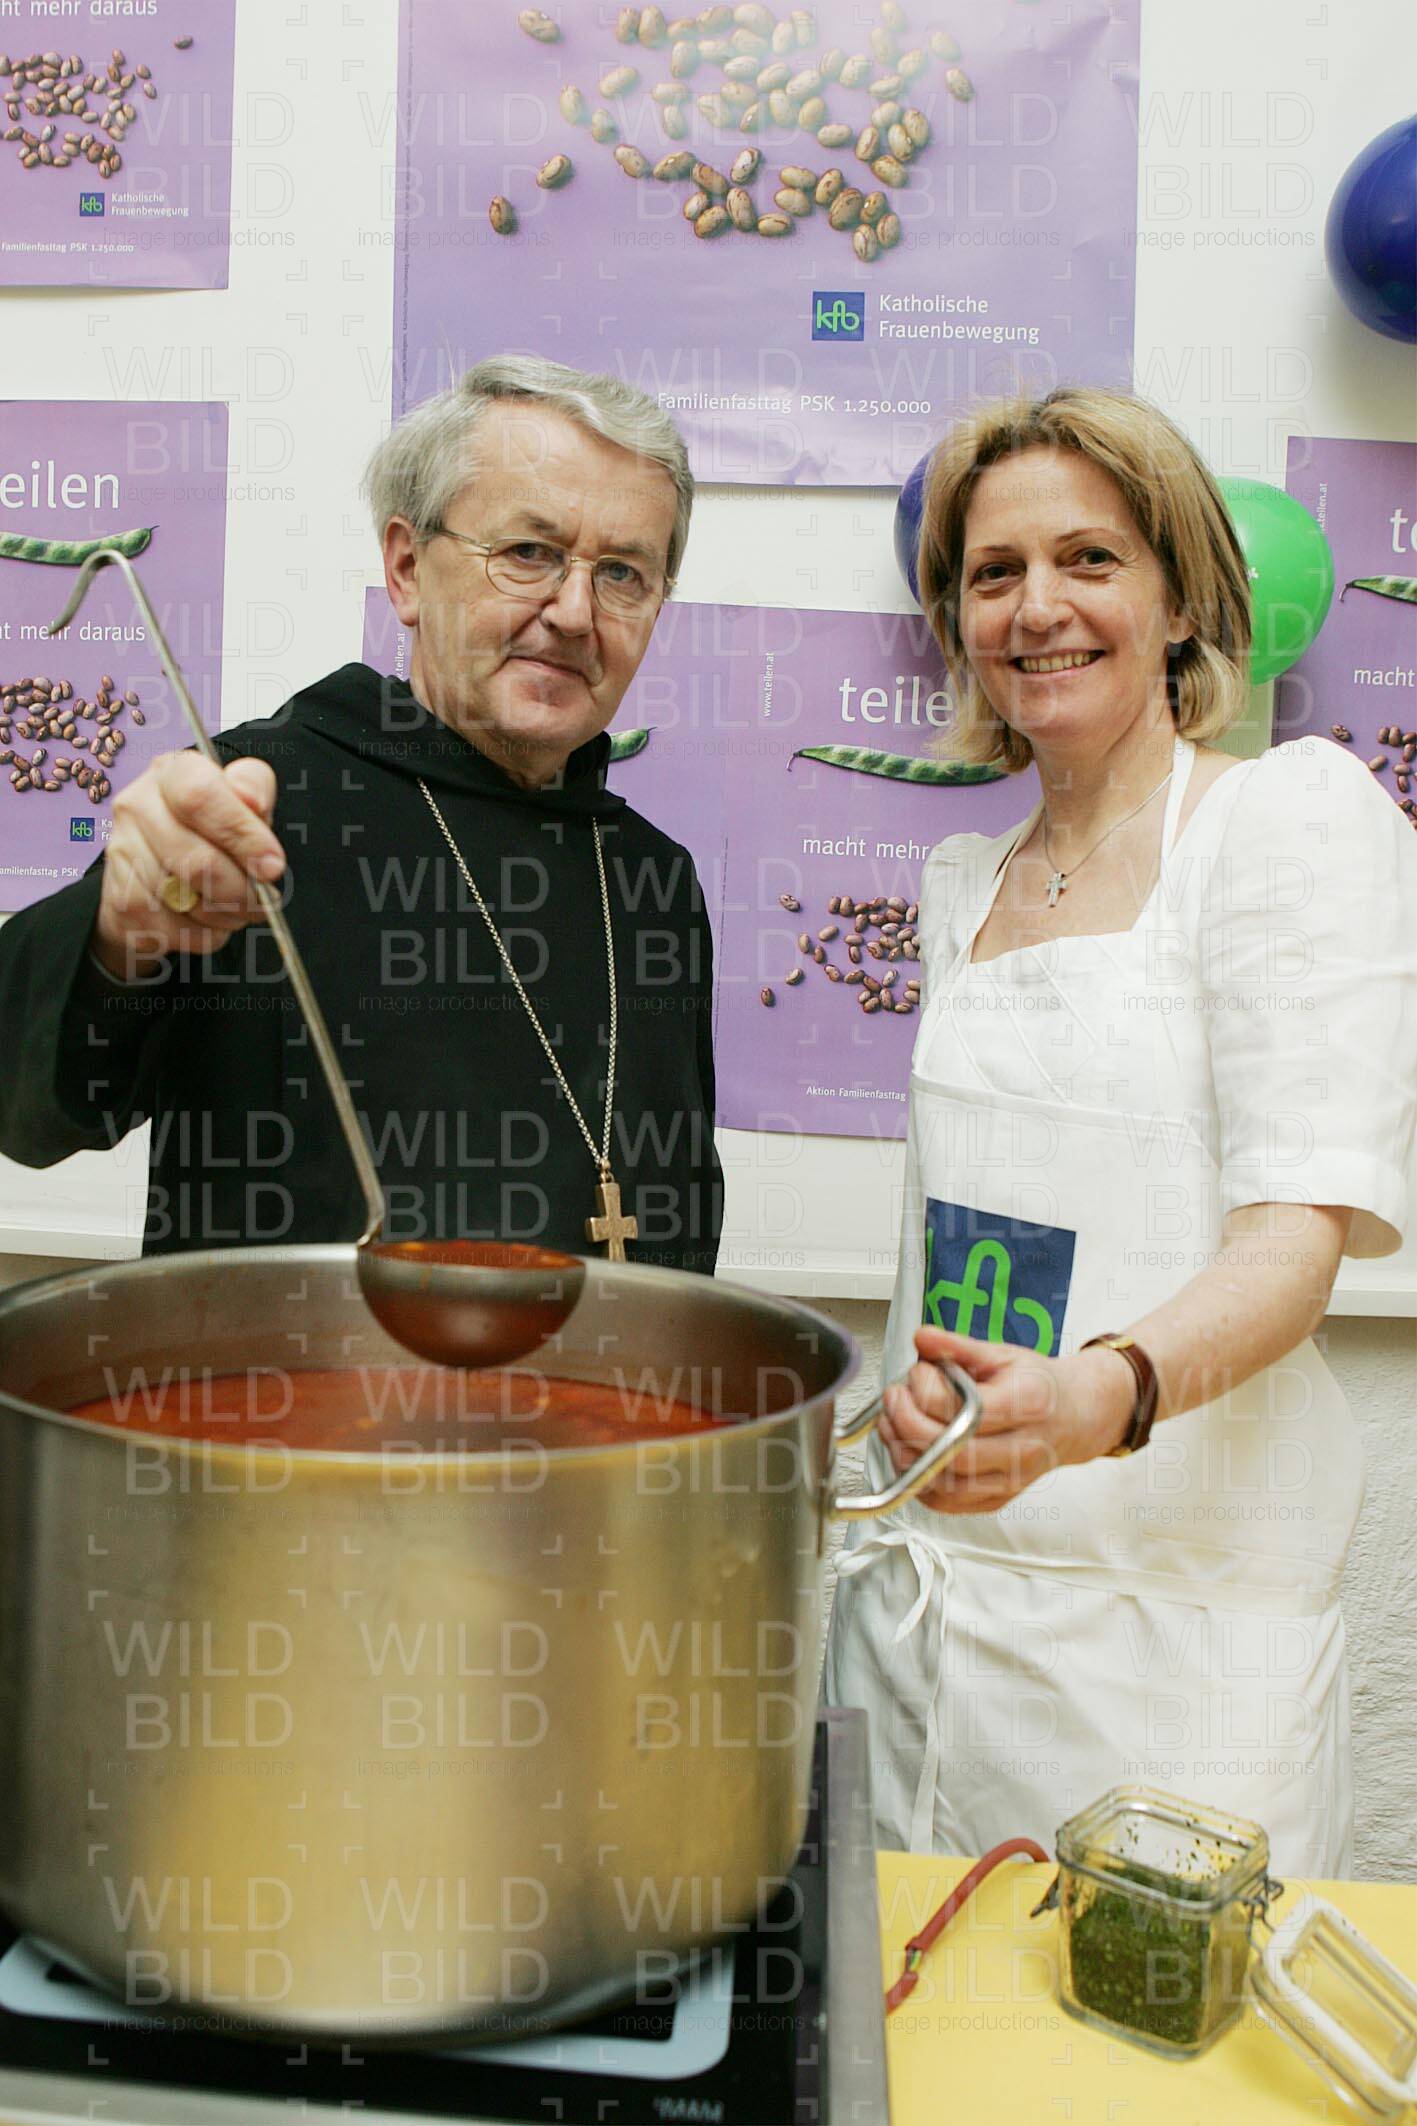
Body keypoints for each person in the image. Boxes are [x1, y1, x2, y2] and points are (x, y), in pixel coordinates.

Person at [824, 386, 1417, 1875]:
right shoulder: (965, 884)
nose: (1038, 607)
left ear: (1178, 598)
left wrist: (1099, 1397)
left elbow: (1290, 1249)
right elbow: (968, 1252)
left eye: (1088, 558)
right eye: (994, 572)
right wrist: (902, 1413)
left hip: (1174, 1654)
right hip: (933, 1621)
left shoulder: (1280, 825)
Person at [0, 357, 723, 1271]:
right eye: (528, 553)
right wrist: (118, 934)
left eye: (622, 573)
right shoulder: (244, 807)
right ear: (407, 568)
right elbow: (28, 1111)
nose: (575, 613)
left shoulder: (656, 880)